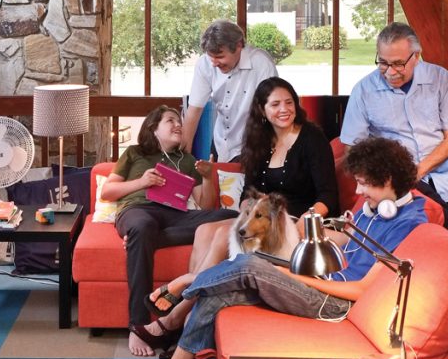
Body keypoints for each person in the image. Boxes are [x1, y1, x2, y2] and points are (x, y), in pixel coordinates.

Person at [109, 137, 427, 359]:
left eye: (363, 184)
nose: (358, 192)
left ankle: (184, 286)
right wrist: (307, 231)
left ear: (387, 180)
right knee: (217, 295)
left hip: (335, 303)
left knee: (249, 263)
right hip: (319, 279)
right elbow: (349, 242)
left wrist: (293, 275)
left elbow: (359, 289)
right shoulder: (378, 208)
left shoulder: (408, 223)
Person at [144, 77, 339, 324]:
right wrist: (247, 209)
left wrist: (307, 222)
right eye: (275, 104)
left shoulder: (312, 138)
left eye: (289, 102)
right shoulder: (259, 139)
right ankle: (189, 316)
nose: (284, 109)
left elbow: (328, 195)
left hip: (295, 218)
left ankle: (177, 316)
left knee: (219, 237)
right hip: (259, 216)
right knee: (205, 230)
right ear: (262, 109)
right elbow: (248, 192)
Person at [100, 105, 235, 356]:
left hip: (175, 215)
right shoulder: (134, 153)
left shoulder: (187, 160)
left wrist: (207, 176)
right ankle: (137, 324)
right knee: (143, 226)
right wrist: (143, 182)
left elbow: (205, 205)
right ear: (153, 128)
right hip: (137, 211)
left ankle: (142, 240)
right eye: (170, 120)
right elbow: (107, 192)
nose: (178, 125)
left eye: (179, 121)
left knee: (231, 217)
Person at [339, 21, 448, 244]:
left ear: (416, 55)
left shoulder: (440, 79)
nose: (390, 72)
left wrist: (417, 172)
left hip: (443, 183)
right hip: (394, 188)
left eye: (398, 64)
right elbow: (353, 150)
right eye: (383, 63)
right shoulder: (363, 90)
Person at [181, 20, 277, 161]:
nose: (214, 63)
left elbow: (273, 111)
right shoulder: (205, 64)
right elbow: (194, 111)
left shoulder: (261, 64)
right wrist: (183, 160)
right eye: (211, 57)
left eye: (220, 57)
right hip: (221, 141)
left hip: (253, 143)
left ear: (239, 46)